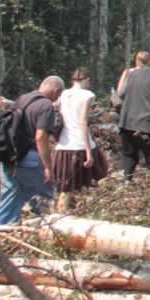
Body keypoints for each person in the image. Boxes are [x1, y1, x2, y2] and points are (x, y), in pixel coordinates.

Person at [0, 76, 63, 226]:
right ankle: (46, 233)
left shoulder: (21, 99)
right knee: (45, 198)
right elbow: (41, 137)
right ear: (56, 91)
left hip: (9, 156)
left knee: (9, 199)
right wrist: (48, 167)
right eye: (59, 95)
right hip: (29, 158)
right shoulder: (46, 105)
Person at [46, 68, 103, 211]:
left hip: (64, 145)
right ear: (88, 80)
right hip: (80, 144)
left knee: (66, 187)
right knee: (100, 177)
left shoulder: (63, 94)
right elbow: (83, 122)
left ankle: (61, 213)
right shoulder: (87, 95)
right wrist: (88, 151)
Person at [114, 51, 150, 185]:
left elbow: (120, 93)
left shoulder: (133, 73)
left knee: (129, 156)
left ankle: (124, 185)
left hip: (127, 122)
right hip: (149, 124)